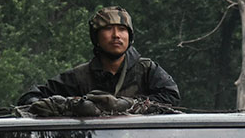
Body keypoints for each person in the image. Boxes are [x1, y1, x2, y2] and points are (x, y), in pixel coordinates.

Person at [18, 6, 180, 108]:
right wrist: (71, 105)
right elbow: (30, 97)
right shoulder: (79, 77)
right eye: (108, 29)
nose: (116, 35)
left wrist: (128, 105)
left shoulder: (146, 70)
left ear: (129, 37)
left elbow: (171, 97)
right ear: (96, 37)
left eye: (122, 29)